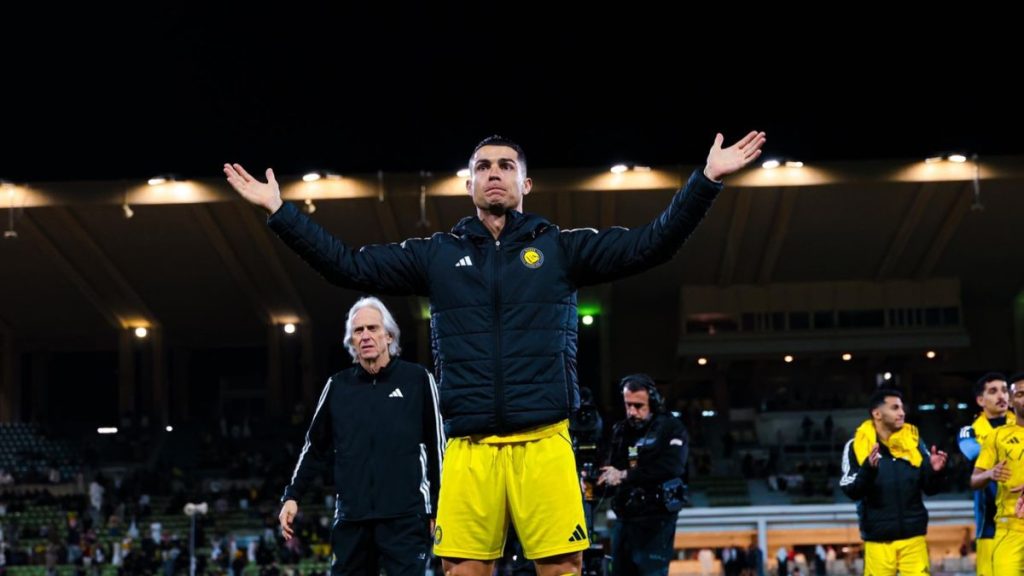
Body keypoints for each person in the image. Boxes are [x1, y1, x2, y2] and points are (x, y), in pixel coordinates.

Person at [226, 130, 765, 576]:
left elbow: (654, 243)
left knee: (561, 570)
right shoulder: (436, 255)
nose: (494, 173)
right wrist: (279, 210)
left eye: (506, 166)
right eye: (483, 166)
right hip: (470, 447)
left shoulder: (560, 248)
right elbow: (348, 266)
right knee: (463, 572)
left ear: (525, 182)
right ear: (468, 183)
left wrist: (706, 181)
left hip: (546, 442)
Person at [278, 296, 444, 576]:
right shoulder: (337, 386)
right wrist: (293, 495)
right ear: (351, 341)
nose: (366, 336)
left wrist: (440, 506)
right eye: (358, 331)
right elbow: (314, 447)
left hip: (405, 517)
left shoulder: (417, 379)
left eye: (373, 328)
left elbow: (438, 448)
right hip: (352, 519)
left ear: (389, 335)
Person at [839, 388, 948, 576]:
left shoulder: (914, 441)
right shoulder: (856, 445)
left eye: (902, 408)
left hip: (914, 539)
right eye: (895, 408)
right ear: (877, 414)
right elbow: (850, 489)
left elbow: (930, 489)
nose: (902, 413)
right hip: (878, 542)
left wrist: (935, 472)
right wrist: (868, 470)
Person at [598, 374, 688, 576]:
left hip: (656, 520)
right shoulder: (621, 431)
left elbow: (672, 467)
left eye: (639, 406)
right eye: (628, 405)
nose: (632, 412)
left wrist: (624, 475)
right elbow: (612, 465)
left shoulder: (671, 428)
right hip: (625, 518)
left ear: (654, 403)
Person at [957, 372, 1010, 576]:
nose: (1001, 396)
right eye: (993, 391)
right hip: (990, 523)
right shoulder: (968, 432)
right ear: (980, 400)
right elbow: (974, 453)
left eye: (1005, 390)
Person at [974, 377, 1024, 575]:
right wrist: (990, 472)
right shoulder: (987, 434)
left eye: (1003, 390)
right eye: (1020, 394)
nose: (1000, 396)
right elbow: (972, 457)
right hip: (1001, 524)